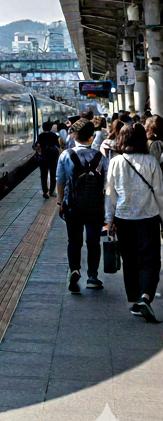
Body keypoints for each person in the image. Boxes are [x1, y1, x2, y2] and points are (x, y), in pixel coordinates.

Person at [106, 122, 163, 322]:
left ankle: (136, 299)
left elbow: (110, 194)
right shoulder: (151, 162)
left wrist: (109, 220)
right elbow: (160, 194)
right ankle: (145, 297)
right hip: (148, 217)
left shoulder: (115, 161)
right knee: (150, 259)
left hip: (124, 218)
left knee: (130, 260)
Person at [56, 118, 105, 293]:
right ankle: (92, 277)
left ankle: (75, 270)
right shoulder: (101, 158)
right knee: (93, 241)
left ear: (74, 136)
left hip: (72, 205)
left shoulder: (65, 155)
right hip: (95, 206)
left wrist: (60, 202)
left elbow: (60, 180)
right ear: (92, 137)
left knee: (74, 241)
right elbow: (107, 184)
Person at [35, 120, 61, 199]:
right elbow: (58, 146)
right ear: (50, 127)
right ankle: (52, 192)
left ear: (43, 128)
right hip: (52, 158)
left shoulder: (40, 136)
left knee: (43, 175)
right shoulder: (54, 135)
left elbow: (36, 145)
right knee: (53, 175)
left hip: (43, 159)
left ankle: (45, 191)